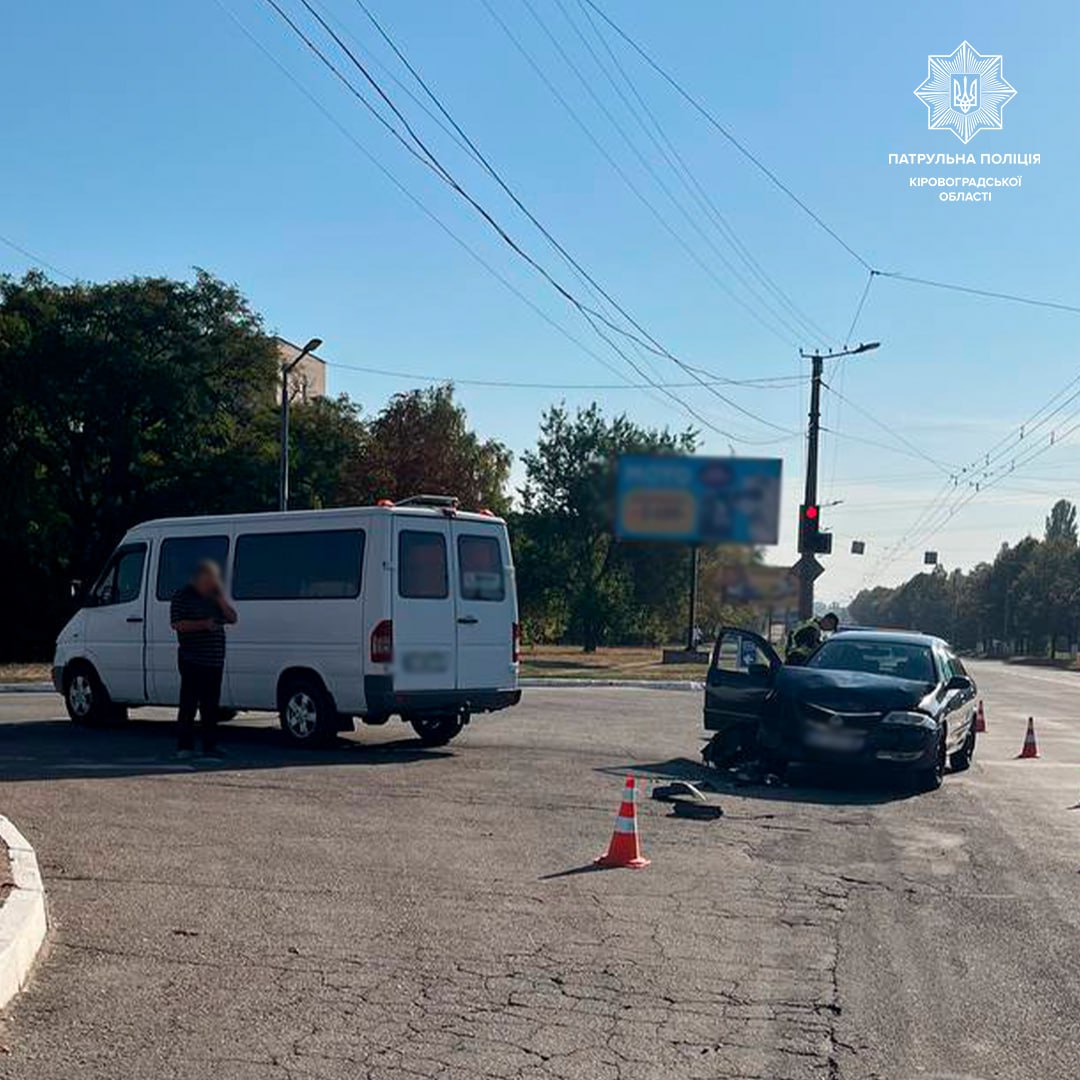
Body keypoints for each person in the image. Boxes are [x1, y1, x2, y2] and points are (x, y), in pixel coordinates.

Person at [170, 559, 237, 759]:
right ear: (199, 577)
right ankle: (185, 745)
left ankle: (210, 745)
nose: (212, 582)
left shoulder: (214, 597)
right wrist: (203, 625)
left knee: (211, 706)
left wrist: (220, 600)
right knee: (189, 704)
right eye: (209, 578)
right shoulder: (182, 596)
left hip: (214, 660)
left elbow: (232, 618)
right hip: (192, 658)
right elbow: (177, 624)